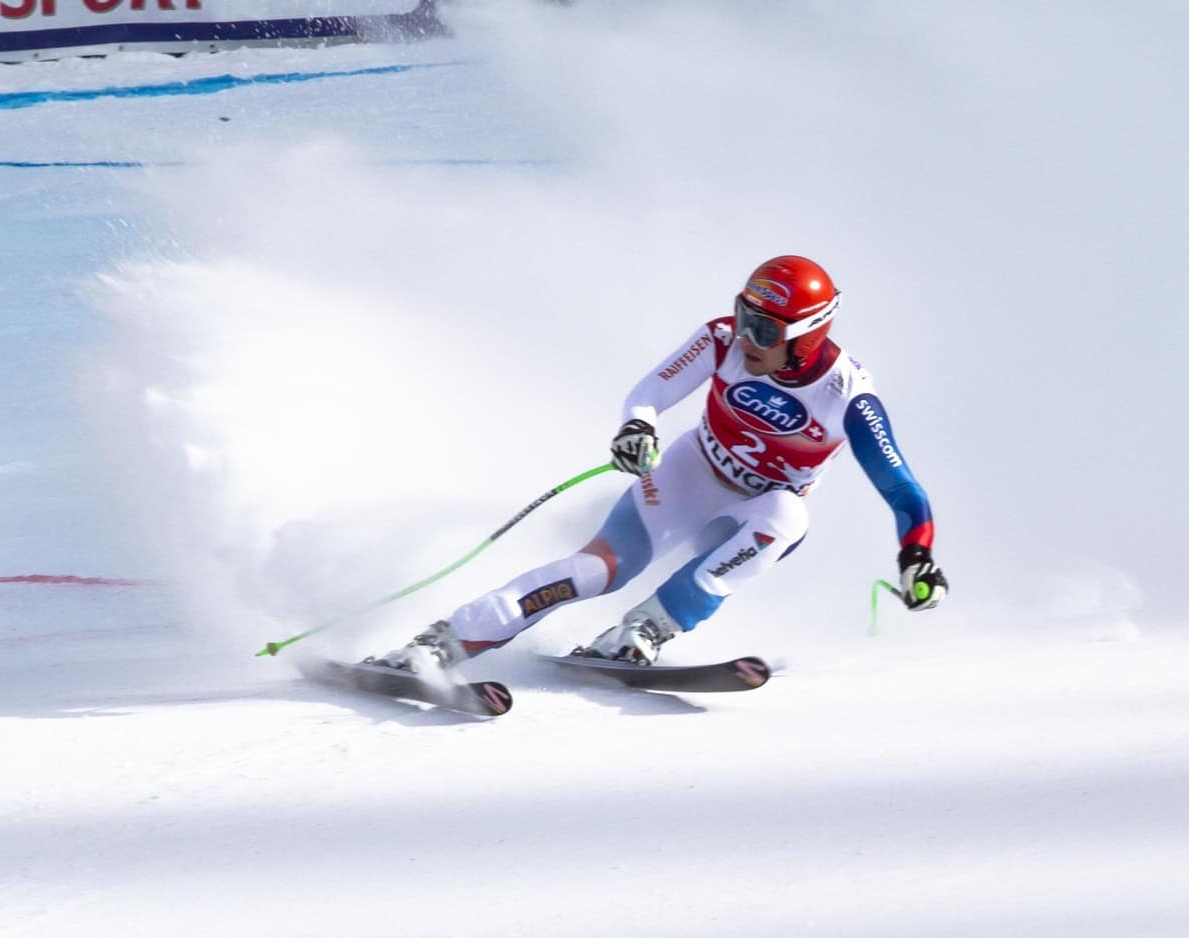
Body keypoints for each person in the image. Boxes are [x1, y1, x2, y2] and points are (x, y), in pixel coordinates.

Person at [369, 254, 946, 674]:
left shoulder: (847, 395)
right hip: (691, 473)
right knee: (598, 570)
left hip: (757, 508)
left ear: (806, 336)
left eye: (764, 329)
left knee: (789, 519)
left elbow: (902, 489)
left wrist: (916, 556)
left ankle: (646, 628)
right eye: (743, 316)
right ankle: (444, 641)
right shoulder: (722, 341)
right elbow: (651, 391)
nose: (746, 337)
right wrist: (637, 426)